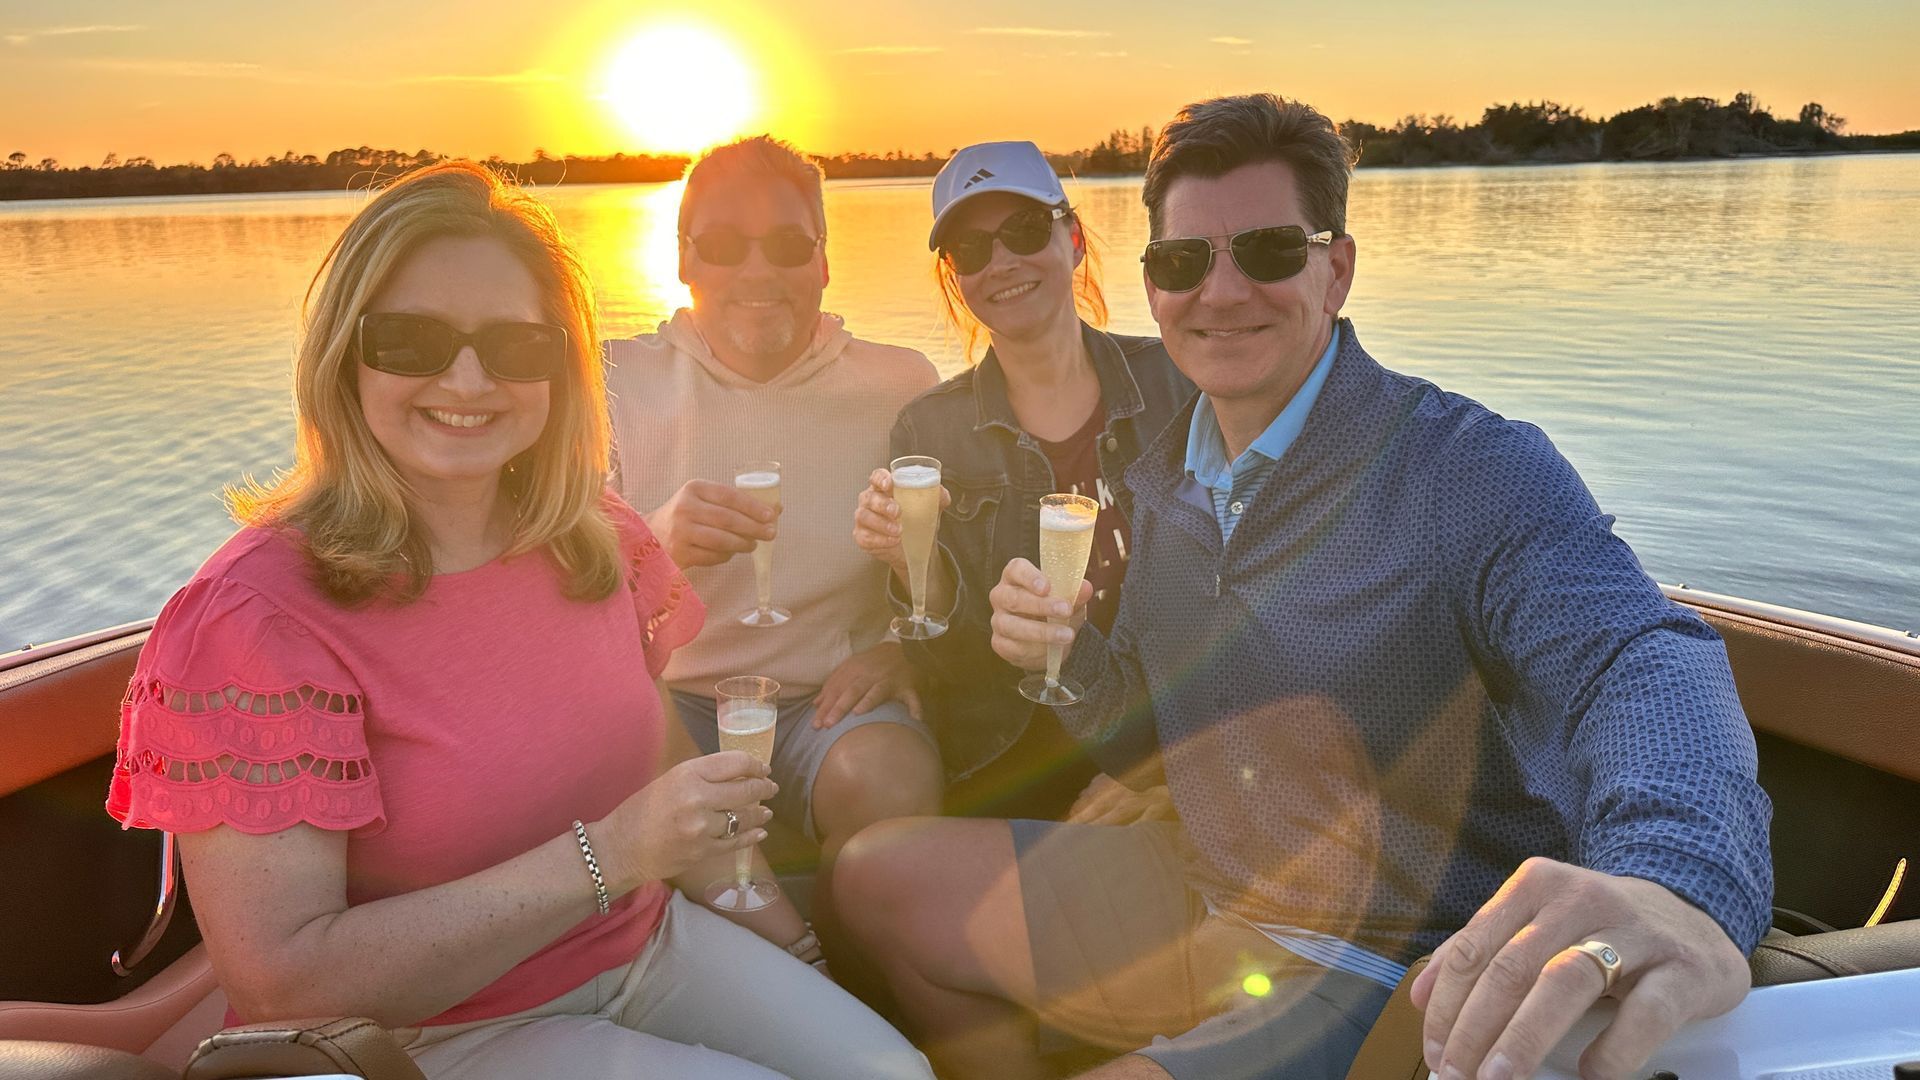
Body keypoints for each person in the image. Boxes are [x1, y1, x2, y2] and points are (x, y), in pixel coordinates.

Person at [833, 94, 1772, 1080]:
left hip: (1389, 948)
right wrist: (1067, 662)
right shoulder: (1162, 483)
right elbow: (1154, 730)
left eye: (1271, 251)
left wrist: (1678, 882)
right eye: (1184, 261)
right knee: (872, 880)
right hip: (1213, 881)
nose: (1222, 291)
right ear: (1153, 285)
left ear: (1337, 267)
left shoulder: (1462, 468)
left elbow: (1632, 657)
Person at [107, 161, 932, 1080]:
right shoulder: (256, 621)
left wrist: (786, 935)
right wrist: (611, 854)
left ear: (561, 370)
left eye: (515, 346)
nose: (468, 378)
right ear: (345, 351)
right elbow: (283, 981)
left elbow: (658, 755)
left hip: (642, 944)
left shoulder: (595, 540)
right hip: (440, 1033)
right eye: (413, 339)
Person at [604, 136, 944, 945]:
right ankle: (785, 962)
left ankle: (875, 979)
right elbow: (549, 588)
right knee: (631, 738)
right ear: (683, 259)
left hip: (825, 702)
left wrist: (906, 647)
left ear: (824, 262)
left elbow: (939, 562)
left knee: (891, 782)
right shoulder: (609, 383)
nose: (757, 272)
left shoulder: (901, 385)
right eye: (723, 246)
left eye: (788, 246)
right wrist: (650, 544)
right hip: (669, 696)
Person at [850, 140, 1192, 817]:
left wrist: (1169, 775)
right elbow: (957, 669)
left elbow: (1236, 601)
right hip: (1005, 761)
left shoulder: (1179, 384)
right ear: (955, 276)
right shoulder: (927, 431)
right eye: (972, 251)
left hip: (1168, 743)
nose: (1001, 262)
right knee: (864, 872)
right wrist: (910, 566)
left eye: (1025, 231)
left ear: (1073, 239)